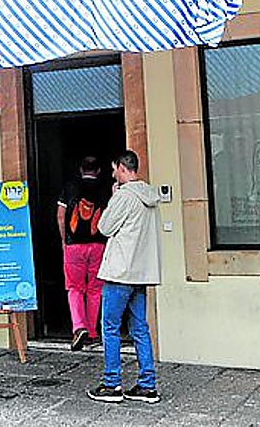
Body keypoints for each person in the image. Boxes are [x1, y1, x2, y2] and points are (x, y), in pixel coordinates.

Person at [88, 150, 162, 405]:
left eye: (114, 169)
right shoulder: (150, 196)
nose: (112, 174)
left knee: (109, 327)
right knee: (140, 328)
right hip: (140, 273)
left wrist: (113, 197)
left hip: (120, 272)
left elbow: (104, 227)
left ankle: (112, 384)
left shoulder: (124, 196)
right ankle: (147, 385)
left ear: (121, 168)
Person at [57, 155, 109, 351]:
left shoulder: (69, 187)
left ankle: (79, 327)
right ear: (98, 171)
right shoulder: (105, 189)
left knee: (74, 288)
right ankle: (93, 332)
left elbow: (61, 216)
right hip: (98, 245)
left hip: (74, 246)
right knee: (96, 289)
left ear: (81, 169)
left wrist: (64, 240)